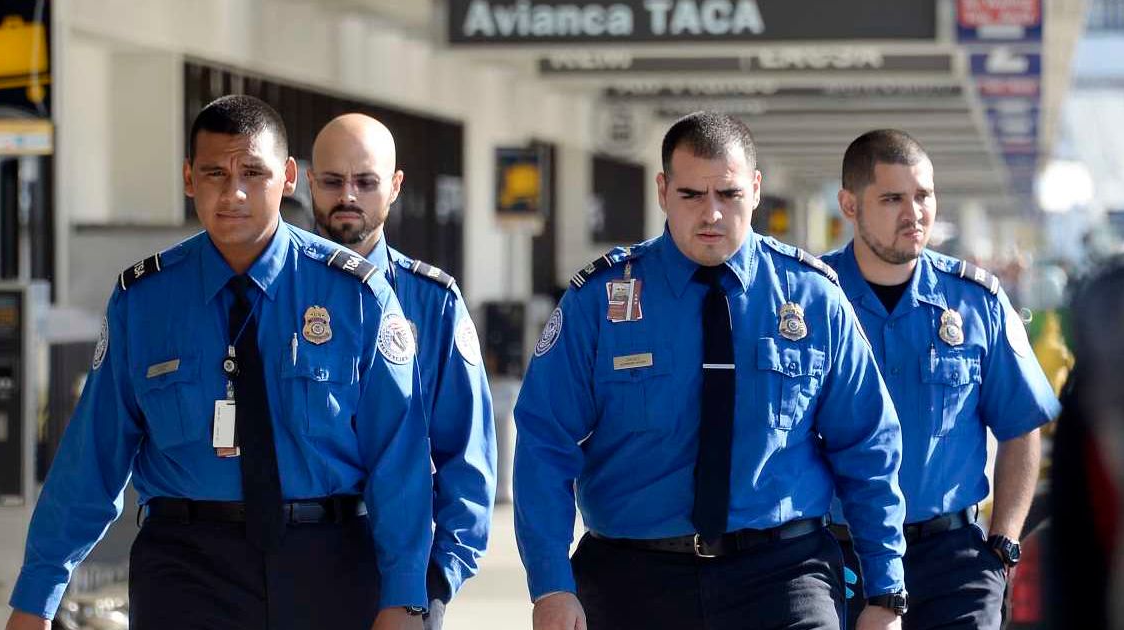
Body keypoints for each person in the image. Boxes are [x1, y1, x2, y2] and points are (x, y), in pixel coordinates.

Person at [4, 95, 433, 630]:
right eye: (214, 172)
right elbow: (92, 457)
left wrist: (405, 597)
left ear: (289, 177)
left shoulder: (357, 296)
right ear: (189, 179)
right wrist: (37, 595)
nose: (233, 192)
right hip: (187, 568)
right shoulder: (145, 300)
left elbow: (400, 460)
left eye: (254, 172)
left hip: (328, 561)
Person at [513, 111, 909, 630]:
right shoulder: (601, 301)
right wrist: (551, 586)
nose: (712, 214)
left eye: (728, 194)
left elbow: (868, 445)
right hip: (633, 576)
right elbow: (545, 441)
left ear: (756, 189)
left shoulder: (812, 298)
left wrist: (886, 591)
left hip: (783, 576)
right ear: (662, 190)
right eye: (692, 196)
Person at [822, 129, 1060, 630]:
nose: (914, 213)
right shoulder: (810, 301)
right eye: (892, 198)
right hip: (838, 558)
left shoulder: (977, 302)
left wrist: (1003, 544)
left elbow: (1020, 425)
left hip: (953, 559)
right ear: (849, 204)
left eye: (923, 195)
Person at [307, 113, 497, 629]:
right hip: (291, 570)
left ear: (394, 188)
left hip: (405, 575)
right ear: (307, 182)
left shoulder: (433, 303)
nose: (348, 195)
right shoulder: (274, 292)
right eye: (332, 181)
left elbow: (468, 458)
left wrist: (434, 586)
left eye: (366, 182)